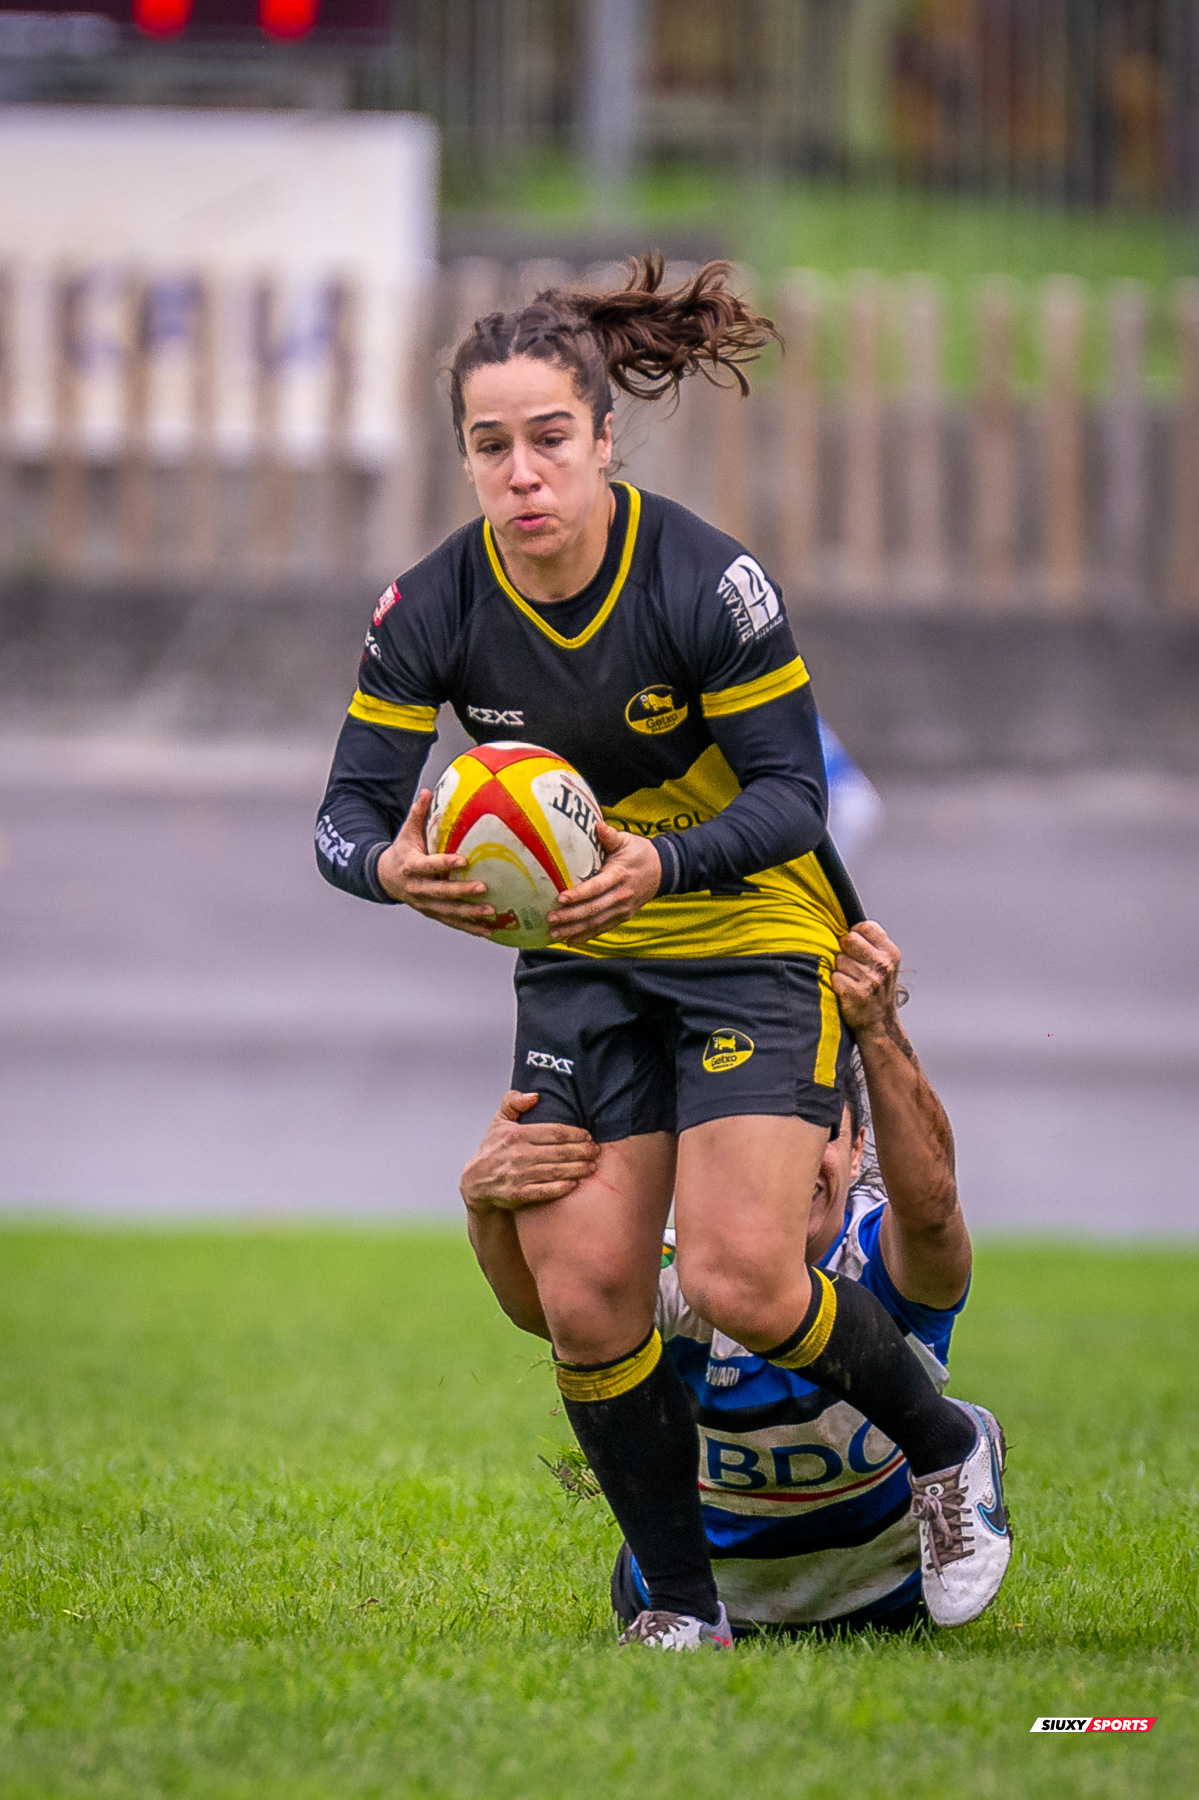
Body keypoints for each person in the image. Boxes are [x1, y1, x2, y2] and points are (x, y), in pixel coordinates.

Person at [315, 256, 1006, 1649]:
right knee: (586, 1295)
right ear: (464, 457)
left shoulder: (704, 579)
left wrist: (660, 857)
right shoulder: (431, 609)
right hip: (578, 952)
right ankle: (680, 1614)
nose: (522, 475)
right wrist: (392, 868)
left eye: (549, 439)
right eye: (490, 446)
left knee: (749, 1276)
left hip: (749, 922)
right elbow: (340, 820)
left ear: (601, 438)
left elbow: (791, 798)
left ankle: (943, 1455)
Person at [462, 922, 1010, 1638]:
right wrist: (484, 1203)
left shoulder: (880, 1255)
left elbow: (935, 1216)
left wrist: (876, 1030)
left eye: (819, 1132)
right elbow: (549, 1315)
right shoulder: (671, 1264)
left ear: (855, 1149)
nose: (789, 1158)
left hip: (887, 1598)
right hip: (718, 1602)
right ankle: (681, 1607)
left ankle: (954, 1442)